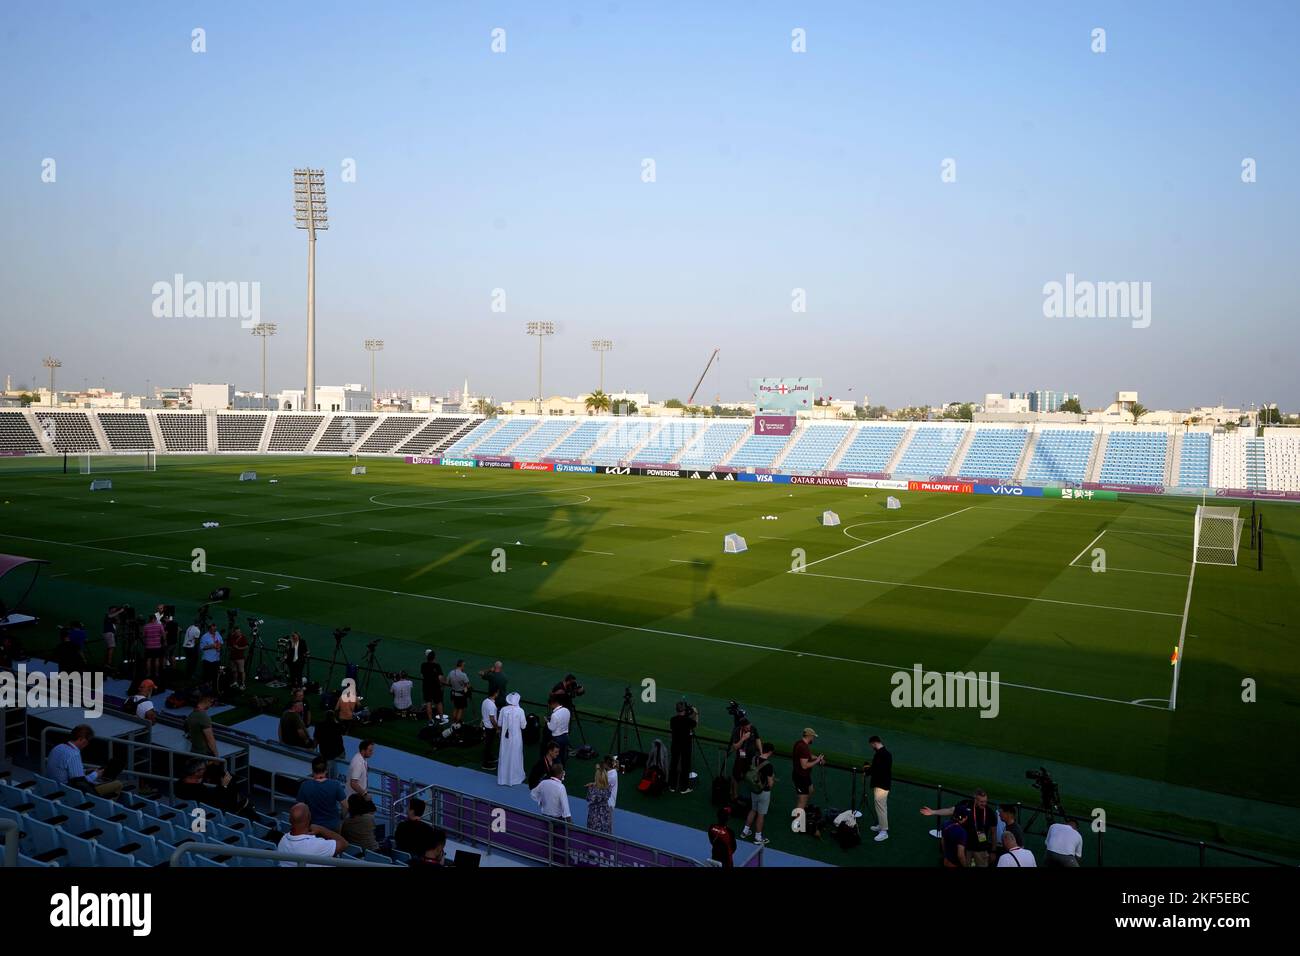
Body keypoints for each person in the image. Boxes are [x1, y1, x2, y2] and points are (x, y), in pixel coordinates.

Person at [921, 789, 997, 866]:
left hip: (981, 849)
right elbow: (950, 810)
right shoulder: (966, 804)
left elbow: (994, 833)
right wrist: (933, 812)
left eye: (985, 801)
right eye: (981, 802)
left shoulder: (990, 812)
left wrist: (993, 851)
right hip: (965, 848)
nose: (984, 804)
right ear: (975, 800)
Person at [47, 725, 124, 797]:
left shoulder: (58, 747)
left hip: (55, 787)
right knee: (118, 784)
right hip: (69, 792)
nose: (86, 745)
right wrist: (96, 774)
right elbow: (80, 784)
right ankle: (107, 808)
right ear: (81, 739)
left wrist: (86, 771)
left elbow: (69, 772)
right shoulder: (74, 754)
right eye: (87, 741)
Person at [277, 802, 348, 866]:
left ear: (290, 820)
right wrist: (321, 829)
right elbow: (344, 844)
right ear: (309, 817)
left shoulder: (283, 840)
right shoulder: (317, 845)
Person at [175, 760, 247, 814]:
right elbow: (217, 797)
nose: (205, 770)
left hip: (189, 810)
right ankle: (235, 808)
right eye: (203, 769)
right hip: (210, 810)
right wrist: (223, 786)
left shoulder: (178, 784)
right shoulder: (199, 789)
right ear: (197, 772)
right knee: (229, 786)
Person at [296, 756, 347, 830]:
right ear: (326, 770)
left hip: (313, 827)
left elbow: (299, 808)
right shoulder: (336, 784)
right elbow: (345, 806)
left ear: (312, 770)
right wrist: (341, 817)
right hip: (332, 827)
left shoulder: (305, 785)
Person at [740, 742, 775, 846]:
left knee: (753, 810)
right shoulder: (769, 766)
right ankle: (758, 837)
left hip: (753, 789)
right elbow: (770, 784)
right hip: (763, 792)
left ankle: (745, 831)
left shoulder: (754, 758)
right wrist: (772, 778)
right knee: (761, 814)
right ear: (770, 752)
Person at [862, 734, 892, 843]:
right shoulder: (886, 753)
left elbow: (876, 769)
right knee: (880, 806)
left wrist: (867, 771)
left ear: (874, 743)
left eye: (872, 745)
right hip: (883, 784)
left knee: (881, 807)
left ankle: (884, 831)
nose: (872, 747)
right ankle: (881, 825)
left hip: (881, 785)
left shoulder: (880, 755)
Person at [792, 727, 825, 815]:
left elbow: (807, 755)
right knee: (802, 800)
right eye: (813, 736)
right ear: (809, 736)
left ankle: (802, 807)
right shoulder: (804, 748)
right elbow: (804, 766)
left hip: (803, 776)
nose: (813, 738)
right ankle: (797, 823)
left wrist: (817, 758)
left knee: (810, 790)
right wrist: (817, 761)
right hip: (801, 776)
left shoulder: (799, 743)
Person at [496, 692, 527, 786]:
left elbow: (499, 724)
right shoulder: (520, 711)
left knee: (505, 755)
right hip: (516, 738)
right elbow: (523, 726)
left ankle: (503, 778)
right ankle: (515, 778)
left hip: (505, 739)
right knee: (516, 756)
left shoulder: (503, 710)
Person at [668, 701, 697, 793]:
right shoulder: (687, 721)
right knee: (685, 766)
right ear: (684, 710)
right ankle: (684, 787)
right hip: (685, 746)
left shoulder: (673, 719)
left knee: (673, 764)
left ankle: (672, 786)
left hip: (675, 745)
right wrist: (696, 713)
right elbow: (695, 724)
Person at [729, 718, 761, 801]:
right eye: (747, 727)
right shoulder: (736, 731)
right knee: (736, 775)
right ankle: (735, 795)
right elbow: (735, 747)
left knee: (751, 775)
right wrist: (743, 738)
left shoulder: (753, 728)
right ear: (742, 727)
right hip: (741, 757)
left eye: (749, 725)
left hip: (752, 757)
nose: (749, 728)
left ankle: (752, 795)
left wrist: (760, 752)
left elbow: (758, 739)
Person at [585, 764, 613, 834]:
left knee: (593, 836)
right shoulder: (608, 788)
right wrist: (594, 784)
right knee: (606, 834)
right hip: (606, 813)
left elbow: (588, 799)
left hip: (595, 815)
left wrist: (590, 787)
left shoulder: (593, 790)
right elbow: (602, 786)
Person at [421, 650, 447, 725]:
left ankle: (430, 720)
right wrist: (444, 683)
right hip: (435, 687)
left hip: (426, 686)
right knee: (438, 702)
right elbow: (440, 678)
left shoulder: (423, 665)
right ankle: (441, 719)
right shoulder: (437, 666)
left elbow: (422, 675)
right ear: (434, 658)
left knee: (428, 703)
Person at [546, 697, 571, 766]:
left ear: (554, 704)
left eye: (550, 705)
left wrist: (548, 722)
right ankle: (562, 771)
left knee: (556, 757)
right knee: (563, 754)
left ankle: (558, 772)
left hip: (557, 739)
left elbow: (552, 728)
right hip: (566, 737)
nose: (550, 707)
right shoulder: (567, 710)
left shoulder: (554, 715)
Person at [141, 612, 166, 679]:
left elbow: (143, 636)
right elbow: (163, 635)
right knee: (156, 660)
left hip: (148, 646)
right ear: (154, 619)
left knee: (148, 660)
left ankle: (148, 673)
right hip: (157, 646)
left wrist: (145, 643)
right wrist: (164, 641)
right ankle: (156, 673)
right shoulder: (159, 625)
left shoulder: (146, 626)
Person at [480, 686, 499, 770]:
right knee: (488, 745)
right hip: (490, 728)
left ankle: (489, 758)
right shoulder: (492, 705)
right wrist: (497, 728)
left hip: (486, 726)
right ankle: (485, 763)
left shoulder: (485, 701)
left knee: (488, 744)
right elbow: (492, 719)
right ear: (495, 693)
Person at [199, 622, 223, 689]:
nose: (215, 631)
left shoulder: (217, 634)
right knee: (206, 675)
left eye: (215, 629)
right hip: (207, 659)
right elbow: (202, 647)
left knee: (215, 675)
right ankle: (205, 687)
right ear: (209, 629)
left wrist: (219, 646)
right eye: (213, 629)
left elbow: (221, 642)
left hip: (216, 659)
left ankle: (213, 687)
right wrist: (211, 646)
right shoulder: (204, 636)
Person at [101, 606, 125, 672]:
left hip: (109, 633)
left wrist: (118, 615)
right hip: (109, 633)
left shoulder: (113, 617)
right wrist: (119, 611)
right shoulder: (108, 615)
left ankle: (107, 663)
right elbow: (110, 616)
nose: (115, 611)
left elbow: (118, 623)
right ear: (110, 610)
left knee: (110, 648)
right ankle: (109, 663)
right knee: (111, 647)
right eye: (114, 609)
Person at [447, 659, 470, 726]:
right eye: (463, 666)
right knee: (460, 709)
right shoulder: (463, 675)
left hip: (454, 693)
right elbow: (468, 685)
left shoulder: (451, 672)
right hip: (461, 695)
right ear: (461, 665)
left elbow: (447, 682)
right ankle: (457, 723)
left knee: (455, 707)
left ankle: (453, 722)